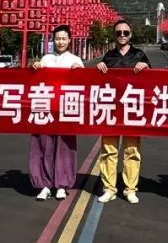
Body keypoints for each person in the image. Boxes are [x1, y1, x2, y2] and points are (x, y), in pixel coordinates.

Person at [95, 20, 150, 204]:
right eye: (119, 33)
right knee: (109, 151)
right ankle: (109, 188)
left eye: (125, 32)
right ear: (114, 35)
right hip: (111, 109)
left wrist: (146, 68)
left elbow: (153, 81)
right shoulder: (108, 57)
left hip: (133, 110)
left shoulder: (140, 55)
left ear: (131, 35)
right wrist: (99, 69)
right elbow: (97, 82)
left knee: (132, 150)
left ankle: (130, 189)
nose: (122, 36)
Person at [29, 25, 84, 201]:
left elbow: (85, 85)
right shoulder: (46, 59)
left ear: (69, 40)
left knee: (65, 147)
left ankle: (62, 184)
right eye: (57, 38)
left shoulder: (75, 60)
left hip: (66, 110)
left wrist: (80, 72)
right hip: (46, 108)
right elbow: (33, 80)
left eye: (63, 38)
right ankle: (44, 184)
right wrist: (34, 67)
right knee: (43, 146)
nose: (60, 42)